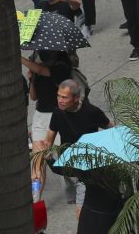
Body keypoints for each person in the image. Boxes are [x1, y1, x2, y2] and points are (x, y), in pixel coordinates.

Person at [32, 79, 110, 217]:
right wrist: (41, 157)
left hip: (85, 170)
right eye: (58, 96)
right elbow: (49, 139)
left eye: (64, 97)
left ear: (76, 98)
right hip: (67, 168)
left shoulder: (92, 112)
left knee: (81, 212)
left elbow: (111, 130)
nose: (59, 100)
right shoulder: (57, 113)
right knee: (75, 201)